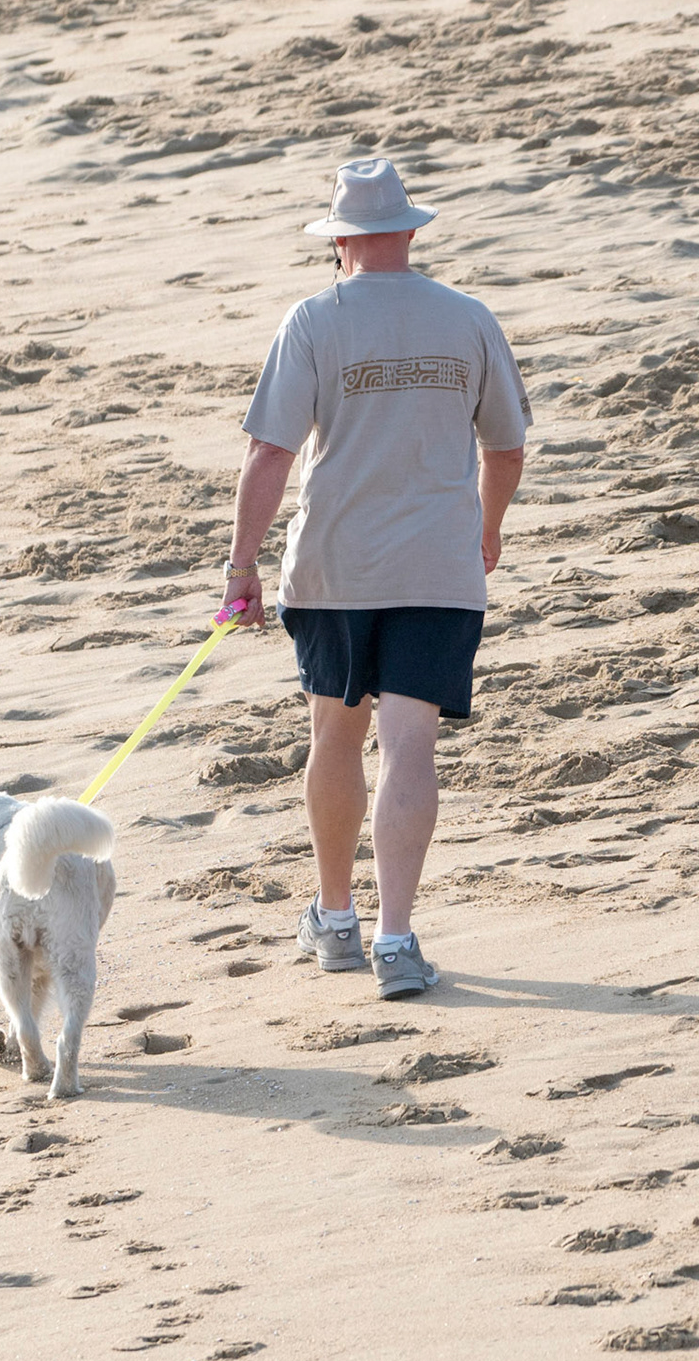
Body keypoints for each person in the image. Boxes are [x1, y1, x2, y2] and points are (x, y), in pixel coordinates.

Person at [220, 156, 529, 999]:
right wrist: (488, 525)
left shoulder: (314, 320)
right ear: (410, 232)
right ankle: (397, 939)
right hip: (438, 564)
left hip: (335, 567)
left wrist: (241, 566)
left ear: (341, 243)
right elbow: (505, 448)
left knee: (336, 736)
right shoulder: (467, 318)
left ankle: (334, 918)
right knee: (409, 745)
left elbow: (269, 452)